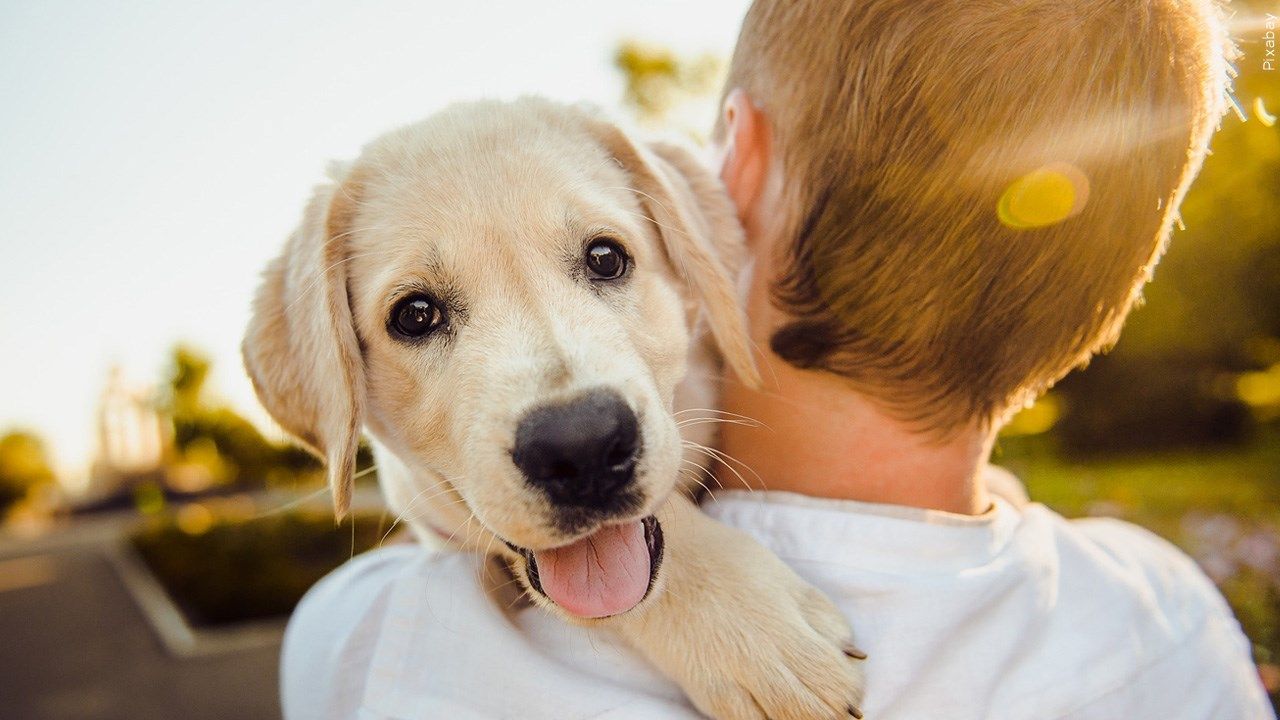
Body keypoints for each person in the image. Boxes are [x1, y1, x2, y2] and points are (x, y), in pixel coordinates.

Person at [281, 0, 1275, 717]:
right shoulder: (1169, 618)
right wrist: (678, 575)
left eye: (602, 259)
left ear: (728, 180)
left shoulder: (374, 647)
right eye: (418, 314)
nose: (570, 409)